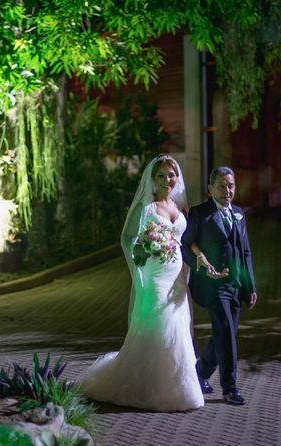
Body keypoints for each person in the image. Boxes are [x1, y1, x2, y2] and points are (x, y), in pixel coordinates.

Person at [80, 154, 204, 412]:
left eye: (171, 175)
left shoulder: (181, 208)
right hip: (154, 276)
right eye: (161, 176)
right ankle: (149, 387)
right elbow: (127, 239)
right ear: (152, 179)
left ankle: (178, 387)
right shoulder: (145, 208)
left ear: (176, 178)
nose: (167, 180)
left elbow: (186, 240)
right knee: (159, 323)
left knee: (179, 326)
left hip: (177, 277)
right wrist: (141, 262)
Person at [181, 166, 257, 406]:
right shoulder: (199, 213)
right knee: (225, 331)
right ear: (210, 189)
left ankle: (200, 373)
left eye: (231, 185)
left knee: (226, 333)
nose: (227, 190)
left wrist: (250, 286)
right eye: (222, 186)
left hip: (234, 284)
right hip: (212, 285)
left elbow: (245, 252)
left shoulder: (239, 213)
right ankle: (230, 388)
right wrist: (199, 263)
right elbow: (185, 244)